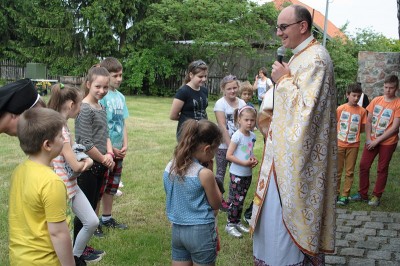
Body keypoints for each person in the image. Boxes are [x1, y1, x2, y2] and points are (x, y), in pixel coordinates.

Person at [250, 5, 337, 265]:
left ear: (302, 26)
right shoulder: (300, 57)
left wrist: (283, 82)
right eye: (277, 27)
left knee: (283, 222)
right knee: (272, 219)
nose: (278, 33)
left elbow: (307, 116)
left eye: (283, 27)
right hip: (282, 158)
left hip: (297, 164)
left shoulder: (317, 59)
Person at [8, 108, 75, 265]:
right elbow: (58, 233)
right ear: (48, 144)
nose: (64, 138)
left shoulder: (19, 171)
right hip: (44, 261)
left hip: (19, 258)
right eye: (60, 136)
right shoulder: (52, 183)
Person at [48, 83, 103, 264]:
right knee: (64, 231)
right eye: (79, 105)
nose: (80, 109)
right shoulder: (59, 129)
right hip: (62, 189)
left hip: (71, 184)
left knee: (92, 221)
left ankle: (75, 256)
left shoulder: (61, 125)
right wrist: (88, 161)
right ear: (72, 105)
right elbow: (76, 166)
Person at [163, 119, 222, 266]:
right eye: (214, 151)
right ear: (207, 149)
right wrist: (210, 172)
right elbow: (216, 203)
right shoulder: (204, 174)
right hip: (201, 231)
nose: (213, 156)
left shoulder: (170, 166)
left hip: (177, 228)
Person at [74, 66, 115, 249]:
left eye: (105, 87)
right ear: (88, 84)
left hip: (100, 165)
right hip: (88, 166)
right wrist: (103, 158)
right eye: (98, 86)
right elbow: (85, 143)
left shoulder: (101, 106)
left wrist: (110, 154)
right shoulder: (85, 109)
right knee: (84, 212)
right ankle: (77, 250)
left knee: (93, 205)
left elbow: (105, 135)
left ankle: (84, 247)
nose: (102, 91)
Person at [351, 75, 400, 206]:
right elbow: (368, 120)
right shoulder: (376, 100)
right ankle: (362, 194)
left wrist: (376, 141)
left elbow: (395, 128)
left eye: (391, 88)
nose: (388, 90)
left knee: (382, 168)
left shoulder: (398, 103)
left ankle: (376, 196)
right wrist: (368, 138)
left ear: (397, 88)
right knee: (363, 165)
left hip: (388, 142)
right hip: (371, 140)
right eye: (386, 87)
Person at [97, 57, 129, 233]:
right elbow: (100, 126)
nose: (119, 79)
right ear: (105, 75)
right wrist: (110, 149)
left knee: (112, 186)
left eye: (121, 75)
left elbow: (122, 122)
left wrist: (125, 144)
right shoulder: (101, 97)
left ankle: (106, 218)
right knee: (99, 188)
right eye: (115, 75)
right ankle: (93, 223)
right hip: (104, 150)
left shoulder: (121, 97)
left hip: (118, 151)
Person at [214, 75, 246, 210]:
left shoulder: (242, 104)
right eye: (229, 89)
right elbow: (222, 125)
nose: (232, 91)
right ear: (223, 89)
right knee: (220, 173)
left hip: (238, 147)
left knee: (237, 175)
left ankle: (232, 201)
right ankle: (218, 200)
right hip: (223, 146)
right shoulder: (220, 104)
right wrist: (229, 147)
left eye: (234, 88)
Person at [225, 106, 258, 238]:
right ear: (239, 120)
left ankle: (237, 222)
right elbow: (229, 155)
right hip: (237, 174)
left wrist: (253, 159)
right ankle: (230, 225)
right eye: (246, 120)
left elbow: (249, 152)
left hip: (247, 174)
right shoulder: (237, 136)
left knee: (242, 199)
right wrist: (244, 163)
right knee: (235, 200)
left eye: (252, 120)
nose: (249, 123)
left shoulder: (253, 136)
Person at [336, 83, 367, 206]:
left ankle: (345, 196)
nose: (356, 98)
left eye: (358, 96)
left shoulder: (362, 111)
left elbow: (363, 128)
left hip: (353, 145)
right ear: (347, 95)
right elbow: (335, 124)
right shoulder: (340, 109)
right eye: (353, 95)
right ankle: (335, 193)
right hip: (339, 144)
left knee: (349, 172)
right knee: (337, 171)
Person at [169, 60, 208, 139]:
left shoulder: (204, 90)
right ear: (191, 75)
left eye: (205, 76)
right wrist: (188, 121)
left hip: (202, 131)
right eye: (200, 76)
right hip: (187, 133)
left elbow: (203, 111)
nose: (204, 79)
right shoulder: (183, 92)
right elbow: (173, 115)